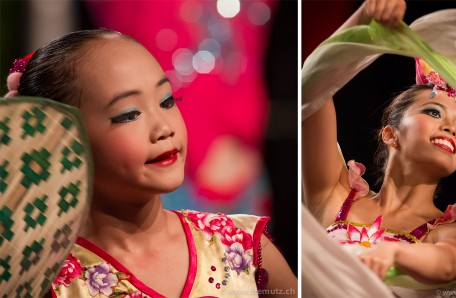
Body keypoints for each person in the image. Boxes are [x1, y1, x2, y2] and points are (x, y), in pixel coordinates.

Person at [4, 29, 297, 297]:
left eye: (167, 101)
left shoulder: (242, 246)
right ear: (65, 140)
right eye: (129, 114)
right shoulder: (43, 281)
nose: (163, 128)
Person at [302, 0, 456, 296]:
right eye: (433, 112)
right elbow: (312, 86)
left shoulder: (455, 230)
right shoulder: (334, 194)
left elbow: (448, 263)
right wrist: (365, 15)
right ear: (391, 134)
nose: (451, 128)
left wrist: (395, 255)